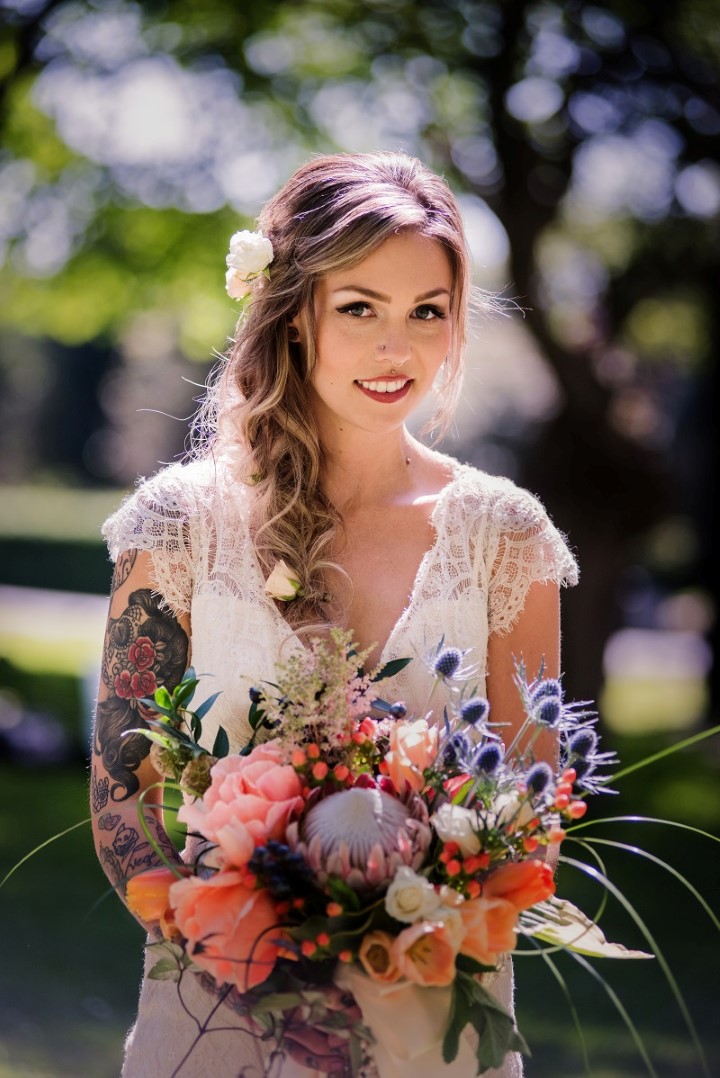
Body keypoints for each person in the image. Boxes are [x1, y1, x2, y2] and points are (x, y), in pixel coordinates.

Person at [91, 151, 578, 1077]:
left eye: (426, 312)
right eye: (360, 307)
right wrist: (253, 965)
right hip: (212, 1021)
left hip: (428, 1024)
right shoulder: (179, 524)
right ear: (294, 313)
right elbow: (122, 792)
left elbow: (532, 806)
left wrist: (403, 943)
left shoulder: (503, 535)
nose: (398, 348)